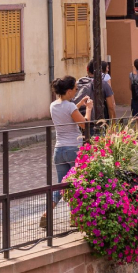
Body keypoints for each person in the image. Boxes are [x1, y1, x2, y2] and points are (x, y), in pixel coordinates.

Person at [40, 76, 91, 230]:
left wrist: (78, 104)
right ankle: (74, 217)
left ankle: (47, 212)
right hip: (73, 149)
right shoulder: (70, 107)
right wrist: (88, 108)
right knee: (76, 184)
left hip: (59, 150)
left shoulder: (53, 106)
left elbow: (67, 113)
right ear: (69, 91)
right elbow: (84, 124)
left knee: (62, 184)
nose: (76, 91)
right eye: (75, 89)